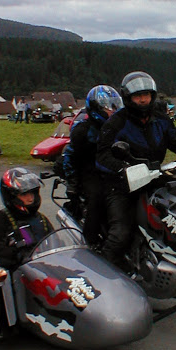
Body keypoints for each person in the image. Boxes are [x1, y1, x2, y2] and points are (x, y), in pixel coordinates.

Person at [96, 71, 176, 267]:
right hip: (122, 185)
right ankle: (104, 277)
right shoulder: (117, 122)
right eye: (138, 96)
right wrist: (123, 169)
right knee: (121, 234)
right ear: (128, 98)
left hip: (153, 177)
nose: (143, 100)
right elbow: (102, 155)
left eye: (146, 95)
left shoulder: (161, 119)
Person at [63, 85, 123, 247]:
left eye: (115, 106)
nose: (113, 111)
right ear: (96, 108)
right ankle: (90, 241)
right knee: (97, 197)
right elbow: (70, 156)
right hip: (89, 171)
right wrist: (72, 185)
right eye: (109, 107)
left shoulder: (116, 128)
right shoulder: (82, 130)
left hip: (109, 169)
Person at [0, 167, 53, 269]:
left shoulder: (41, 219)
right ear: (11, 196)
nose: (30, 198)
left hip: (42, 266)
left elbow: (55, 242)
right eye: (24, 194)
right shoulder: (0, 219)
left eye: (32, 193)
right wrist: (18, 256)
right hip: (16, 270)